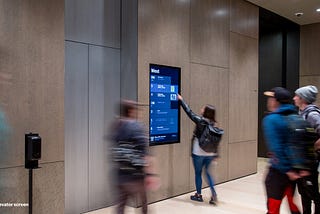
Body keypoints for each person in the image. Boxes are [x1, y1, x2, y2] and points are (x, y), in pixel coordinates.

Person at [263, 87, 302, 214]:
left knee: (273, 207)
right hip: (296, 168)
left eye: (271, 98)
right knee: (292, 203)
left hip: (280, 171)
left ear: (276, 101)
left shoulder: (271, 119)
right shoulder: (296, 116)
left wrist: (287, 169)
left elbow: (276, 148)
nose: (269, 101)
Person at [177, 94, 218, 205]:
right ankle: (214, 194)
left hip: (198, 152)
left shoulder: (200, 121)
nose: (201, 109)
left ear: (206, 112)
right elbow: (216, 140)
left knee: (198, 173)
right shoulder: (213, 124)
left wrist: (181, 100)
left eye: (203, 108)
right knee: (208, 173)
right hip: (210, 153)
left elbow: (189, 112)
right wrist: (216, 155)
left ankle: (198, 195)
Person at [110, 100, 149, 214]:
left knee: (121, 205)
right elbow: (144, 153)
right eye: (136, 110)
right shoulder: (137, 127)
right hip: (136, 176)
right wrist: (150, 174)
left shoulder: (116, 126)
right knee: (144, 203)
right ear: (131, 111)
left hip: (120, 175)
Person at [293, 85, 320, 214]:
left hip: (310, 162)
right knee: (304, 193)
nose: (294, 98)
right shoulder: (301, 113)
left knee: (313, 194)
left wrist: (312, 148)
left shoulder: (312, 115)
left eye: (296, 96)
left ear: (303, 98)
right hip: (302, 161)